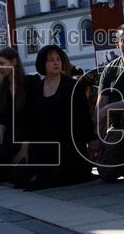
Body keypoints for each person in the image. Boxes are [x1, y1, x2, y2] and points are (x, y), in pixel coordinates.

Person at [11, 45, 94, 190]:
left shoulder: (73, 86)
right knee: (18, 176)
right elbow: (30, 120)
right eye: (50, 60)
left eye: (58, 59)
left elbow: (84, 118)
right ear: (43, 64)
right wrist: (25, 147)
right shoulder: (36, 88)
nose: (56, 63)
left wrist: (92, 141)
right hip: (43, 145)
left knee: (56, 177)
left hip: (68, 145)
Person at [95, 24, 124, 182]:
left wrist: (108, 108)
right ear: (117, 43)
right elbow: (101, 103)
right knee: (106, 173)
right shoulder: (110, 69)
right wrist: (99, 137)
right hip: (117, 126)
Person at [0, 46, 37, 167]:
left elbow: (35, 118)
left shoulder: (31, 82)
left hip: (31, 137)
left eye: (2, 63)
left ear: (14, 62)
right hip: (11, 136)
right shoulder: (1, 88)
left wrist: (25, 147)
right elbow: (1, 117)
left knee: (20, 177)